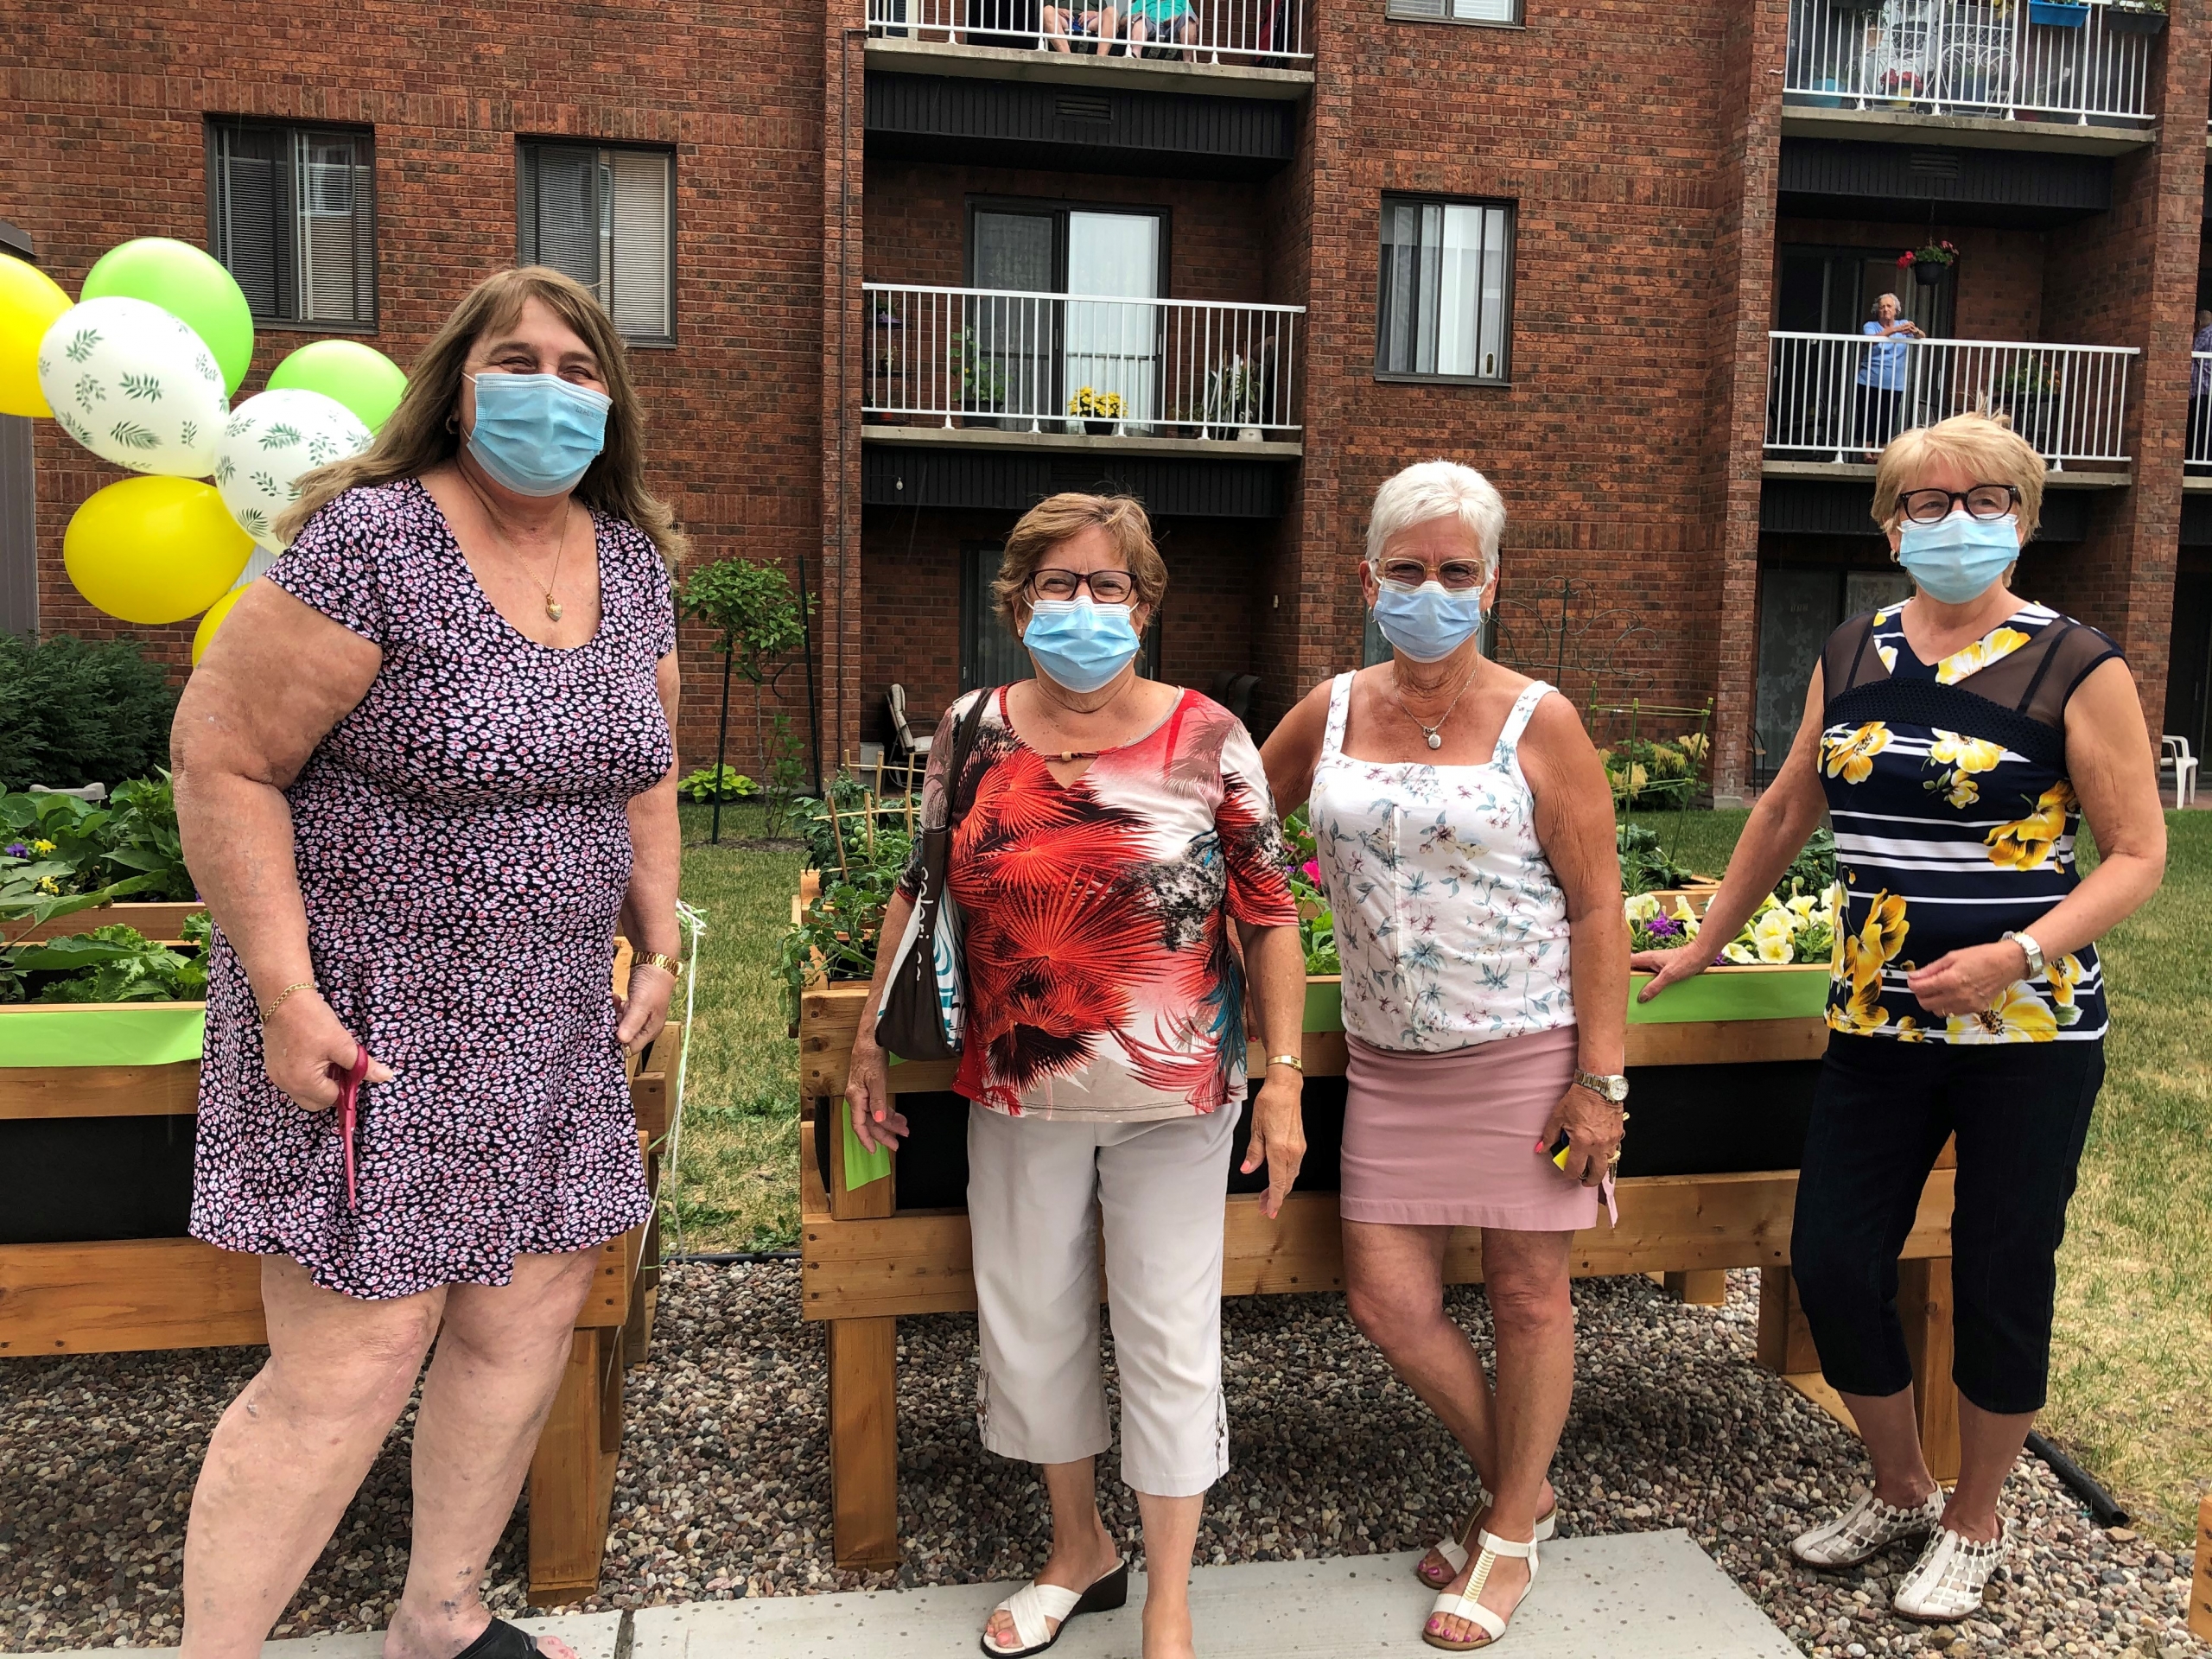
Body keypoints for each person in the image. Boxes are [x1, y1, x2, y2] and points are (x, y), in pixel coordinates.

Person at [171, 266, 685, 1659]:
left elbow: (646, 767)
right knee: (349, 1366)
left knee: (522, 1329)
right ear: (456, 383)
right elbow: (222, 763)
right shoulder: (370, 541)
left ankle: (442, 1620)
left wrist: (660, 930)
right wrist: (285, 993)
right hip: (373, 1023)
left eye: (582, 369)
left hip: (556, 1019)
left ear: (614, 405)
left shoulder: (630, 561)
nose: (551, 390)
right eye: (518, 359)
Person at [1634, 412, 2165, 1623]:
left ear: (2024, 519)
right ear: (1888, 524)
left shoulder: (2076, 665)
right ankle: (1899, 1484)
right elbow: (1781, 812)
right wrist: (1704, 943)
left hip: (2028, 1036)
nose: (1956, 521)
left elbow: (2139, 855)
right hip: (1875, 1023)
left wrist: (2016, 953)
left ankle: (1975, 1521)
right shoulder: (1855, 647)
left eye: (1986, 500)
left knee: (1997, 1269)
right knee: (1831, 1255)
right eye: (1927, 503)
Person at [844, 493, 1307, 1659]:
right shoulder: (972, 727)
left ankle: (1167, 1600)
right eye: (1061, 585)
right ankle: (1078, 1549)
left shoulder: (1208, 736)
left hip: (1177, 1099)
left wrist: (1288, 1077)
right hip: (1015, 1091)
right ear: (1018, 603)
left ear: (1145, 606)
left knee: (1166, 1332)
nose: (1086, 607)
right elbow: (919, 878)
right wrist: (865, 1041)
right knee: (1033, 1324)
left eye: (1111, 587)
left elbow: (1271, 910)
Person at [1260, 461, 1628, 1651]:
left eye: (1455, 572)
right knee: (1387, 1301)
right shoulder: (1329, 710)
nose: (1431, 590)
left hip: (1526, 1051)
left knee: (1529, 1296)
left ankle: (1508, 1532)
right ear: (1368, 579)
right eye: (1408, 570)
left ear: (1492, 584)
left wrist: (1601, 1078)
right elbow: (1242, 830)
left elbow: (1599, 905)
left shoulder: (1541, 719)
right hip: (1386, 1059)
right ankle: (1527, 1489)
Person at [1856, 293, 1923, 459]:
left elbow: (1922, 337)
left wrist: (1915, 331)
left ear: (1896, 310)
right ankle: (1866, 454)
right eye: (1882, 307)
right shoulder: (1871, 326)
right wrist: (1895, 330)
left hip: (1894, 383)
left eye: (1889, 306)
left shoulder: (1903, 325)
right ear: (1877, 311)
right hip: (1869, 380)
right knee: (1867, 416)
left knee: (1887, 418)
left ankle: (1879, 454)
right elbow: (1870, 340)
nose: (1885, 309)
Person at [1125, 0, 1198, 58]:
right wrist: (1136, 15)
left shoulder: (1181, 1)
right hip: (1151, 25)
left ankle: (1187, 61)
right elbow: (1122, 22)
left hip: (1174, 27)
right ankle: (1135, 55)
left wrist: (1177, 18)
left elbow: (1196, 21)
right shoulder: (1142, 1)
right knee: (1140, 18)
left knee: (1189, 17)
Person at [2187, 308, 2212, 474]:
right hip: (2207, 392)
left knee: (2199, 430)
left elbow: (2188, 350)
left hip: (2203, 391)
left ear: (2198, 323)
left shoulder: (2206, 334)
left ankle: (2196, 468)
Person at [1042, 0, 1119, 50]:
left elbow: (1104, 12)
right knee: (1047, 10)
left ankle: (1101, 60)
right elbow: (1045, 7)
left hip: (1091, 21)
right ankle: (1066, 56)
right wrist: (1059, 10)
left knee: (1111, 12)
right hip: (1063, 19)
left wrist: (1094, 14)